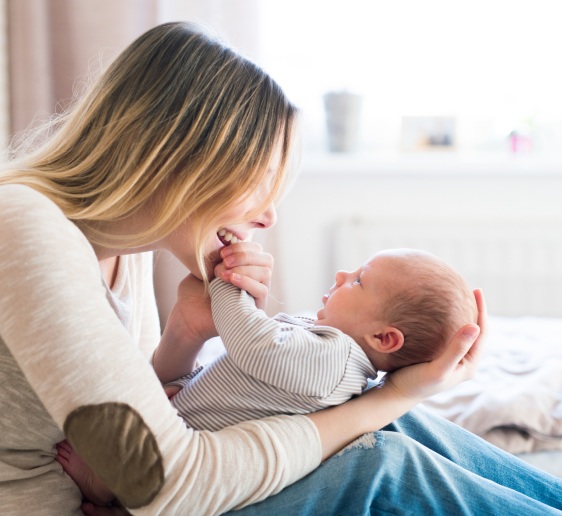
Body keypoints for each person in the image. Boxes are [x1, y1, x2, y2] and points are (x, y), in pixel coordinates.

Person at [0, 19, 559, 516]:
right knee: (377, 457)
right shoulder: (27, 227)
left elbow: (124, 412)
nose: (267, 216)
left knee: (388, 427)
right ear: (184, 162)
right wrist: (392, 394)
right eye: (259, 183)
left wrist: (185, 334)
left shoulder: (125, 250)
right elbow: (165, 484)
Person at [164, 247, 478, 432]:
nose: (342, 275)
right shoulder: (327, 343)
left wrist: (229, 283)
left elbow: (254, 344)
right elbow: (239, 376)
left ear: (383, 338)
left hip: (176, 454)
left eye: (358, 281)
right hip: (176, 420)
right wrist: (189, 384)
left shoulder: (335, 362)